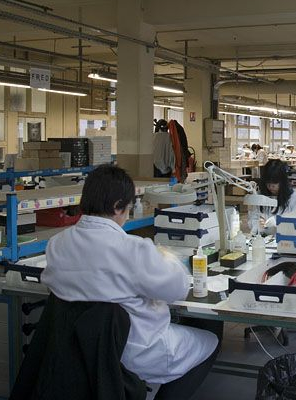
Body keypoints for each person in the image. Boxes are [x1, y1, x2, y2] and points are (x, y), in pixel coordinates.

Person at [41, 165, 220, 399]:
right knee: (211, 340)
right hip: (136, 350)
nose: (128, 213)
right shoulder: (132, 249)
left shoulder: (56, 244)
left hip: (77, 351)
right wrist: (166, 257)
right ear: (118, 206)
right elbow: (176, 289)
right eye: (128, 208)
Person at [259, 159, 296, 232]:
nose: (271, 187)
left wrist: (277, 222)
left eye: (275, 183)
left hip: (287, 240)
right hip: (264, 240)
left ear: (283, 181)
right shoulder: (261, 196)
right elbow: (254, 218)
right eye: (268, 183)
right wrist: (258, 225)